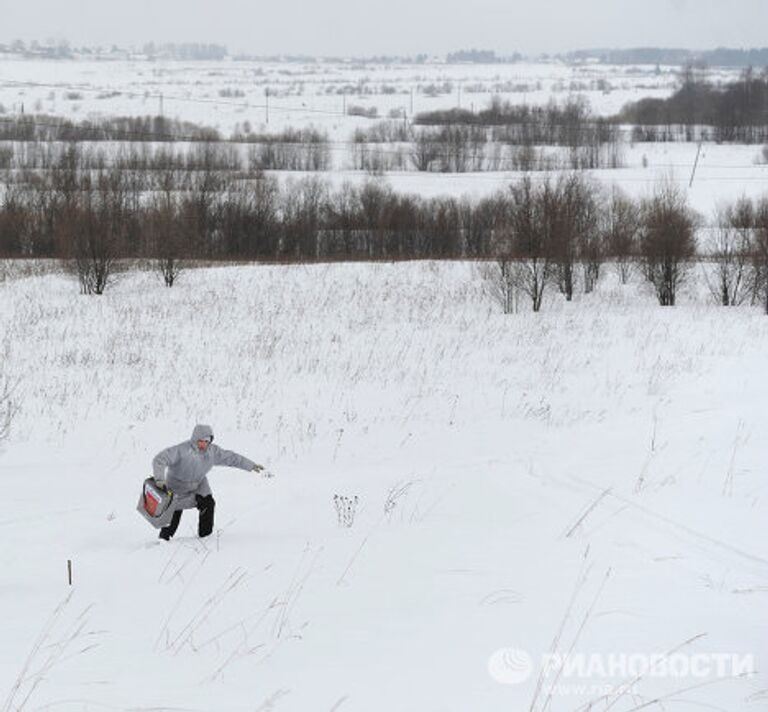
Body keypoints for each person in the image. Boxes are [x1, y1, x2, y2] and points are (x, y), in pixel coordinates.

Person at [152, 424, 268, 541]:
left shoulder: (212, 452)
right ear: (194, 439)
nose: (203, 444)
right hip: (176, 486)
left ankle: (205, 538)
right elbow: (159, 460)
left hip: (198, 483)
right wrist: (160, 479)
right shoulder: (181, 450)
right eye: (200, 441)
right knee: (174, 511)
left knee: (208, 503)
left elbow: (231, 458)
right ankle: (164, 540)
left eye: (207, 441)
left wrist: (251, 465)